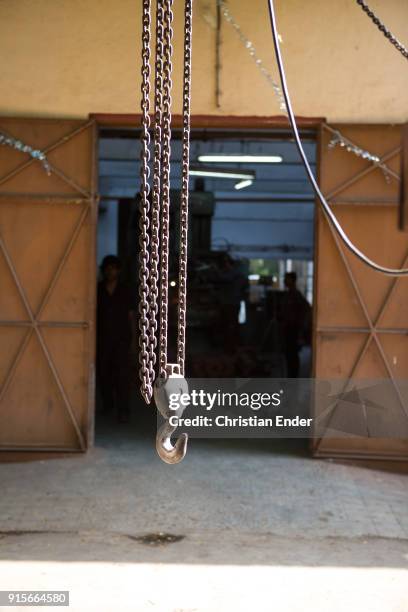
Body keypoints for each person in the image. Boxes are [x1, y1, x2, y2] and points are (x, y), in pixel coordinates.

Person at [97, 255, 136, 423]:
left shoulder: (125, 290)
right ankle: (108, 405)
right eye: (107, 268)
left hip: (121, 338)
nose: (109, 271)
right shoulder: (98, 290)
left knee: (122, 375)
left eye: (113, 268)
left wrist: (134, 342)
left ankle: (123, 410)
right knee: (104, 373)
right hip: (102, 338)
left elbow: (131, 316)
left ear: (118, 270)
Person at [281, 271, 311, 378]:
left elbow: (306, 308)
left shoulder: (295, 294)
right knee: (288, 353)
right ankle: (290, 375)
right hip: (288, 327)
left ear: (292, 280)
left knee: (292, 353)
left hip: (293, 327)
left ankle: (293, 376)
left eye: (287, 278)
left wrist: (301, 324)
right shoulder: (288, 294)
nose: (285, 281)